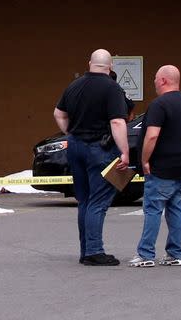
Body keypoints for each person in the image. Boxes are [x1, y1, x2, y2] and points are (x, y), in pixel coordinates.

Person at [54, 49, 131, 266]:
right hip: (100, 148)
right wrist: (124, 151)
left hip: (75, 146)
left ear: (90, 63)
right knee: (98, 201)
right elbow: (117, 122)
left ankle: (85, 250)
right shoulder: (112, 88)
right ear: (110, 67)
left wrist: (71, 132)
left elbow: (58, 113)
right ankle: (95, 251)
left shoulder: (74, 85)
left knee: (85, 200)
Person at [128, 65, 181, 268]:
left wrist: (145, 160)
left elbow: (152, 135)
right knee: (176, 207)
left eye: (156, 79)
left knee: (153, 209)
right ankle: (175, 253)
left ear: (164, 80)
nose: (155, 83)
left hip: (161, 166)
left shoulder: (159, 104)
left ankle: (146, 254)